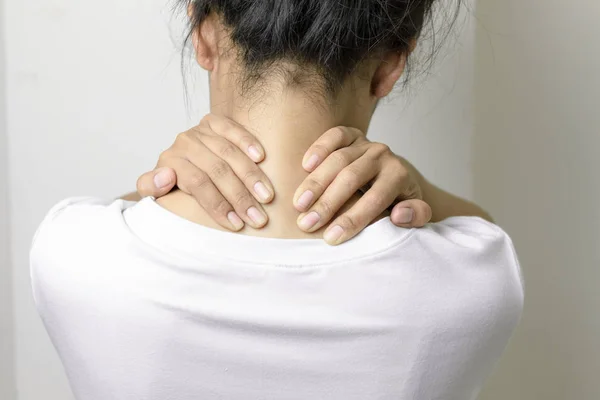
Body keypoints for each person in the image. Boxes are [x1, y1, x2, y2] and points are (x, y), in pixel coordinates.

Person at [30, 1, 524, 399]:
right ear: (392, 66)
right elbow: (482, 230)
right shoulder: (475, 282)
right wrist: (415, 182)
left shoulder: (72, 254)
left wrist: (163, 180)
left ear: (204, 35)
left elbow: (119, 218)